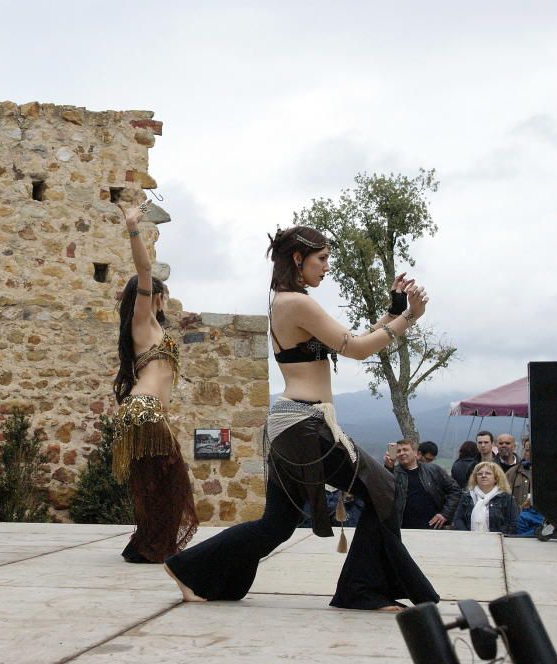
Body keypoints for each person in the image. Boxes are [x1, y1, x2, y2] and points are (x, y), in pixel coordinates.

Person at [164, 226, 439, 611]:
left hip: (295, 424)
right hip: (303, 426)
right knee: (384, 489)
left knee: (277, 525)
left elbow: (350, 341)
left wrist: (394, 310)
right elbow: (358, 349)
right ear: (298, 259)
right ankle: (361, 590)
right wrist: (410, 318)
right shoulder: (297, 303)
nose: (326, 267)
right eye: (322, 259)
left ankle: (188, 567)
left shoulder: (287, 302)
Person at [110, 193, 198, 563]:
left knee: (158, 485)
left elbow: (160, 359)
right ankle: (151, 547)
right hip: (144, 411)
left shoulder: (155, 332)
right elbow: (145, 272)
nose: (164, 295)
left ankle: (145, 546)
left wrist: (181, 325)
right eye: (161, 293)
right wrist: (133, 228)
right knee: (172, 483)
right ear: (150, 297)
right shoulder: (141, 320)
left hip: (148, 413)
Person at [390, 439, 460, 530]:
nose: (401, 453)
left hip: (433, 528)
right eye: (398, 451)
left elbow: (455, 490)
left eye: (405, 449)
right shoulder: (392, 473)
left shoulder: (433, 470)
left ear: (416, 453)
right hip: (403, 529)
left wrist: (445, 514)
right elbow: (382, 493)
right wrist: (388, 467)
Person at [452, 462, 518, 534]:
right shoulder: (467, 497)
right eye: (479, 474)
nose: (483, 476)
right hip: (470, 541)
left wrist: (497, 536)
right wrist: (468, 535)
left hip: (498, 541)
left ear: (496, 478)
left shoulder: (506, 498)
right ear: (475, 478)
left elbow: (512, 523)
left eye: (488, 473)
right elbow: (458, 520)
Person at [506, 438, 533, 512]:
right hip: (519, 519)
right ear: (523, 451)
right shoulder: (512, 473)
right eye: (527, 450)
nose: (530, 453)